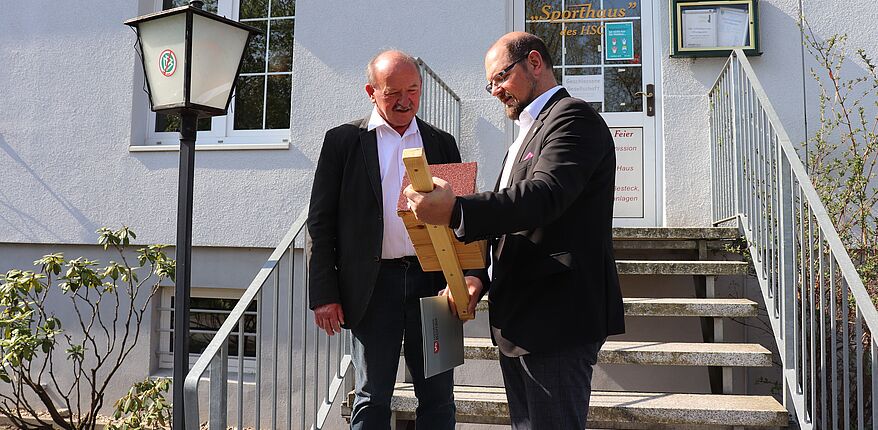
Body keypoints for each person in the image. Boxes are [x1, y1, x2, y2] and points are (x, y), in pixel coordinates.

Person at [403, 32, 625, 429]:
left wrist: (456, 210)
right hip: (522, 321)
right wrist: (476, 278)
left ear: (534, 63)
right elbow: (511, 228)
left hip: (556, 320)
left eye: (500, 77)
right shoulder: (525, 134)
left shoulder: (572, 118)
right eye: (490, 83)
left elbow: (543, 198)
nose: (495, 91)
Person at [306, 50, 462, 429]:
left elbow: (459, 219)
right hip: (373, 287)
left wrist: (465, 278)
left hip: (433, 287)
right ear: (371, 92)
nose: (405, 101)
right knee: (372, 398)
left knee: (439, 399)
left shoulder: (442, 143)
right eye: (393, 92)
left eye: (414, 90)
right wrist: (324, 293)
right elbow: (320, 223)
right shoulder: (343, 142)